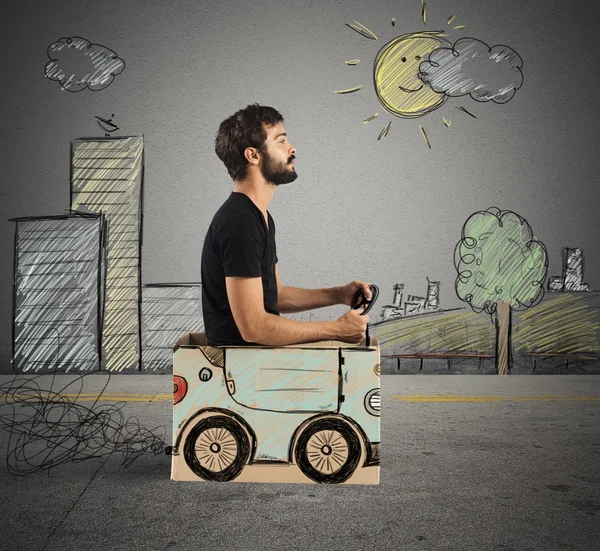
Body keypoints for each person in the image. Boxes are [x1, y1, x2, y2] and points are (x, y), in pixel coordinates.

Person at [200, 103, 372, 346]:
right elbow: (254, 328)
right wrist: (336, 329)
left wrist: (338, 294)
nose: (292, 148)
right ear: (254, 155)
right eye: (280, 141)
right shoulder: (240, 224)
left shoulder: (259, 217)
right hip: (241, 367)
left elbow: (275, 295)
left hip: (255, 359)